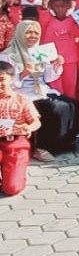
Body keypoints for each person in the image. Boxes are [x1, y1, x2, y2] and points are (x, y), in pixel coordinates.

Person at [0, 21, 79, 160]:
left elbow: (48, 77)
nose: (33, 36)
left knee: (72, 104)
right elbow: (7, 83)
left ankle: (64, 144)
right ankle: (41, 147)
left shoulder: (39, 52)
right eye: (28, 32)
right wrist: (24, 74)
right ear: (20, 34)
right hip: (21, 93)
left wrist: (56, 65)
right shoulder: (7, 56)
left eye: (36, 33)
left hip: (41, 90)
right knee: (54, 108)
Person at [0, 61, 41, 196]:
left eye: (1, 80)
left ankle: (15, 174)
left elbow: (36, 122)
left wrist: (28, 128)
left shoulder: (22, 99)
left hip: (15, 143)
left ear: (11, 79)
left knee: (12, 188)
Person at [39, 0, 79, 100]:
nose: (60, 9)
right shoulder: (48, 20)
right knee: (55, 90)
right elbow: (43, 12)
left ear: (68, 6)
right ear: (52, 6)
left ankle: (70, 109)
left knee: (70, 89)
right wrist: (44, 3)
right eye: (57, 6)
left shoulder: (72, 20)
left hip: (70, 61)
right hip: (52, 61)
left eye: (63, 6)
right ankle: (58, 109)